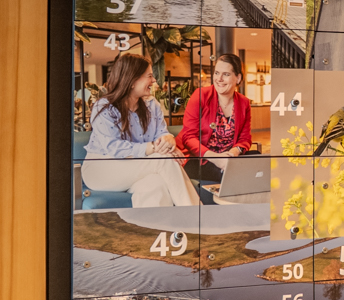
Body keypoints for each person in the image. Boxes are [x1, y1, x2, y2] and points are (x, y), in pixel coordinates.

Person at [82, 54, 198, 207]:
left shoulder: (151, 104)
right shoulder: (104, 107)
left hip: (137, 166)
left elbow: (161, 132)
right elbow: (114, 147)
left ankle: (154, 224)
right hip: (102, 170)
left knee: (155, 185)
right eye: (149, 76)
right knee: (163, 160)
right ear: (132, 80)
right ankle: (197, 216)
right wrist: (154, 148)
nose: (154, 80)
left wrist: (168, 139)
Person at [177, 54, 254, 187]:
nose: (219, 79)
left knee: (257, 159)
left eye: (226, 74)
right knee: (236, 175)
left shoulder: (244, 103)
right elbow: (189, 137)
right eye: (217, 73)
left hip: (228, 157)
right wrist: (216, 158)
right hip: (200, 159)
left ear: (238, 77)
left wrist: (233, 153)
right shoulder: (200, 95)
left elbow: (245, 138)